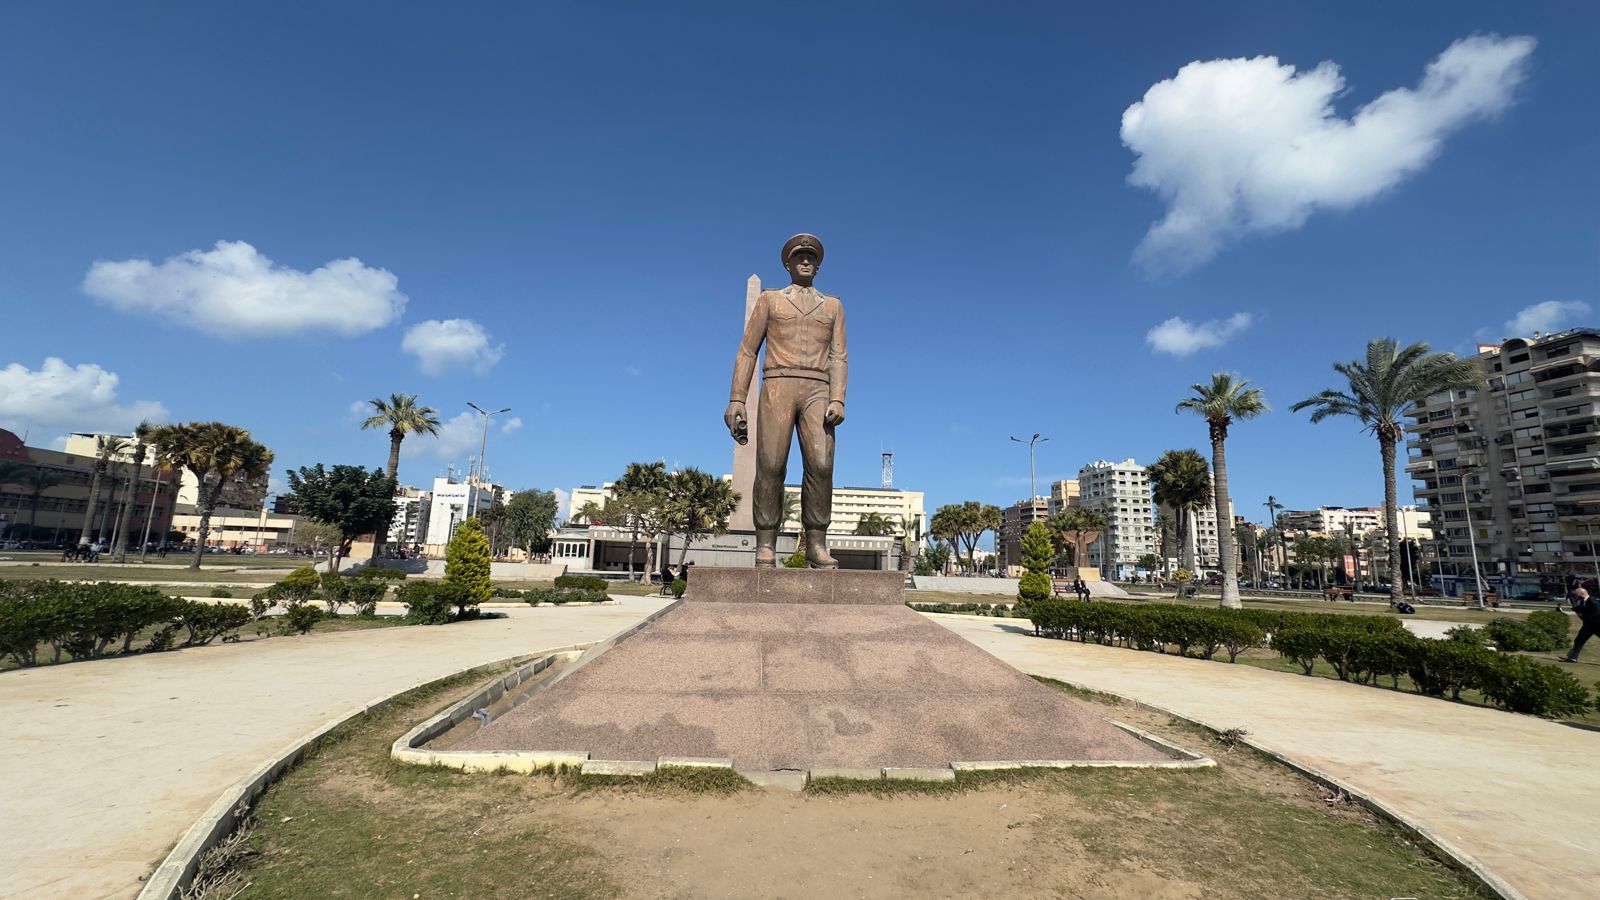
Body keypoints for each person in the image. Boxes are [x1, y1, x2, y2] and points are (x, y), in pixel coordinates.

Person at [726, 234, 847, 569]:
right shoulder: (770, 300)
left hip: (817, 389)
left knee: (821, 465)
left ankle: (816, 543)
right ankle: (765, 544)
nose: (805, 261)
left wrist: (838, 397)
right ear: (788, 263)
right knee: (771, 463)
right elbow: (747, 349)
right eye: (799, 257)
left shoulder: (833, 306)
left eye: (811, 257)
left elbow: (839, 356)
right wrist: (737, 398)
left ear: (818, 265)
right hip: (777, 383)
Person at [1560, 586, 1598, 662]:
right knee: (1579, 641)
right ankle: (1572, 658)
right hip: (1587, 626)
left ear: (1581, 593)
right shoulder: (1582, 602)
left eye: (1576, 594)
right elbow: (1581, 613)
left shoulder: (1593, 602)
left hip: (1597, 626)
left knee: (1579, 640)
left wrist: (1584, 614)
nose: (1575, 596)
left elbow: (1596, 614)